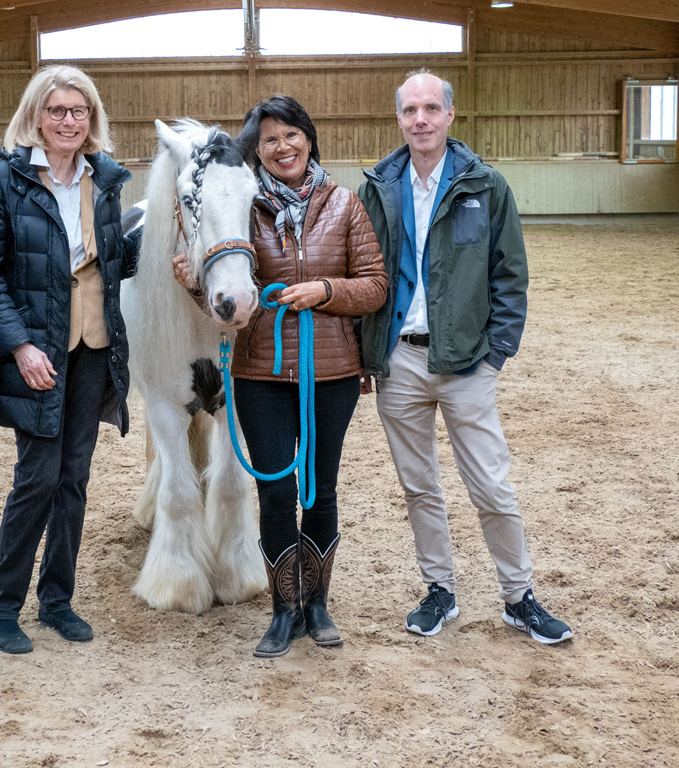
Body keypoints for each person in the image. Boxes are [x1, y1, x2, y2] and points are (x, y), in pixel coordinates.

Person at [357, 70, 573, 645]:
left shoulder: (486, 185)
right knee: (419, 486)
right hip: (399, 360)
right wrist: (367, 353)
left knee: (491, 486)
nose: (420, 119)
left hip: (467, 361)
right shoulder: (377, 187)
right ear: (399, 119)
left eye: (431, 108)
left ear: (450, 115)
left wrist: (496, 352)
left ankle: (519, 596)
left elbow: (510, 273)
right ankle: (440, 590)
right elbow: (360, 272)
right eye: (410, 110)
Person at [178, 96, 387, 657]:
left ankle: (317, 604)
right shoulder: (244, 208)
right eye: (269, 139)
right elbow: (224, 286)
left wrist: (325, 290)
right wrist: (193, 284)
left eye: (291, 135)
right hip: (260, 373)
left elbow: (374, 284)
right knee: (275, 492)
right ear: (259, 152)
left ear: (309, 139)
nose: (282, 147)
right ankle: (284, 608)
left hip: (331, 371)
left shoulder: (344, 205)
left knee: (320, 490)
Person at [0, 65, 138, 654]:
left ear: (92, 118)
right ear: (37, 116)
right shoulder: (4, 178)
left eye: (79, 111)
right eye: (57, 110)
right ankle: (0, 607)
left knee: (74, 477)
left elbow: (112, 259)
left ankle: (57, 599)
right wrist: (19, 345)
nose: (69, 121)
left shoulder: (105, 178)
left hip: (93, 346)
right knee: (37, 477)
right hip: (37, 350)